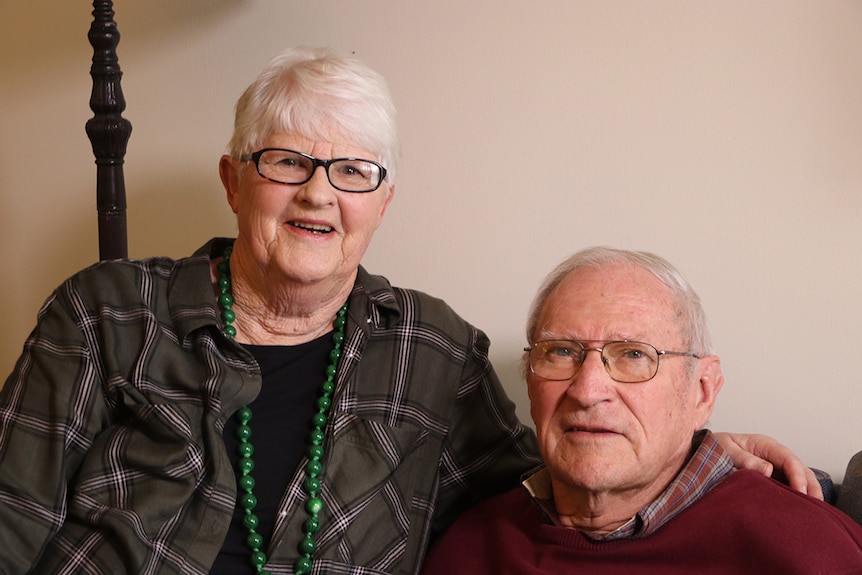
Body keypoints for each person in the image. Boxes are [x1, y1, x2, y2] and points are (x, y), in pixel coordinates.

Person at [0, 48, 821, 575]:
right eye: (288, 161)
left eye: (354, 171)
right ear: (234, 178)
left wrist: (696, 447)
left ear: (383, 202)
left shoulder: (433, 349)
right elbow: (11, 514)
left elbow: (562, 480)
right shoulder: (105, 315)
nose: (320, 192)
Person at [421, 247, 862, 574]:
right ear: (531, 383)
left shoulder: (807, 549)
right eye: (561, 351)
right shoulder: (468, 545)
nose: (588, 390)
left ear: (702, 392)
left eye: (634, 355)